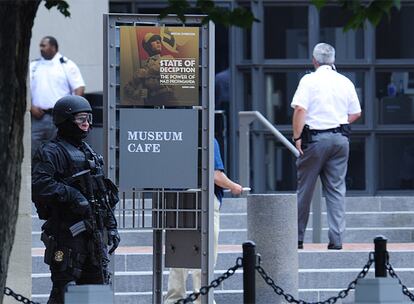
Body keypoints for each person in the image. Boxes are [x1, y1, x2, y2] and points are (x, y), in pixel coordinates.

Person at [32, 95, 120, 303]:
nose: (87, 124)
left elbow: (102, 196)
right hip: (67, 235)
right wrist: (72, 195)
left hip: (93, 235)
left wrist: (111, 226)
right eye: (82, 119)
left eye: (88, 119)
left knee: (95, 291)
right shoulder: (51, 152)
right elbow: (41, 185)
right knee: (66, 290)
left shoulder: (89, 153)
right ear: (66, 119)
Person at [291, 43, 361, 250]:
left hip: (315, 140)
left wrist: (297, 137)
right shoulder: (344, 81)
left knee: (305, 190)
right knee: (337, 190)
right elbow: (356, 112)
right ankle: (337, 239)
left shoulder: (309, 80)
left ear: (314, 60)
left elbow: (300, 110)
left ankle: (297, 238)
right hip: (340, 139)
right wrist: (339, 122)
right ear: (333, 60)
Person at [164, 139, 243, 304]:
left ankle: (173, 300)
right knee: (205, 255)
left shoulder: (176, 136)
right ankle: (203, 300)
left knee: (178, 254)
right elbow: (215, 175)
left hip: (179, 199)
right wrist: (234, 186)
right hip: (204, 200)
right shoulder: (207, 137)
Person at [30, 36, 85, 157]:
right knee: (34, 151)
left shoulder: (66, 65)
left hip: (60, 118)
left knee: (58, 151)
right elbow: (23, 88)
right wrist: (30, 106)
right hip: (38, 117)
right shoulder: (34, 66)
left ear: (53, 47)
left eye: (44, 45)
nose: (41, 48)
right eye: (40, 46)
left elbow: (79, 88)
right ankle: (36, 175)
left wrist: (72, 111)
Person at [124, 32, 175, 105]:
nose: (158, 42)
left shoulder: (168, 58)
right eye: (153, 40)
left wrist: (145, 73)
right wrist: (138, 94)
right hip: (152, 102)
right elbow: (127, 89)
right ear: (147, 46)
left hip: (170, 101)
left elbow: (160, 67)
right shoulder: (143, 67)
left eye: (159, 40)